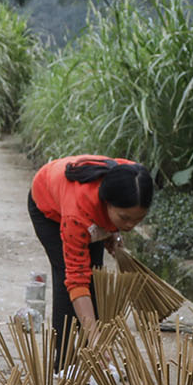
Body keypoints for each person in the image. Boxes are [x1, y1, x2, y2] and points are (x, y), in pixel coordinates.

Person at [28, 154, 154, 361]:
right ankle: (65, 361)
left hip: (87, 207)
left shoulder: (134, 179)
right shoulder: (77, 215)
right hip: (48, 208)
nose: (131, 225)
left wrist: (115, 230)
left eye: (138, 219)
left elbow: (115, 217)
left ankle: (93, 356)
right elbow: (76, 279)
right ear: (107, 203)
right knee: (68, 280)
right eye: (125, 218)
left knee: (95, 275)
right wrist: (96, 338)